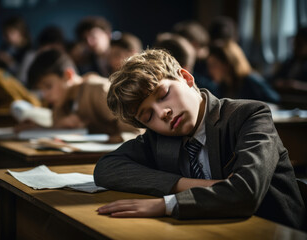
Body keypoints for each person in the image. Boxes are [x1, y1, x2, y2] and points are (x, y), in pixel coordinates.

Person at [93, 49, 305, 230]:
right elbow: (106, 168)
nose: (163, 113)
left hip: (275, 230)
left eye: (164, 94)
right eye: (148, 116)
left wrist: (167, 204)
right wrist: (188, 185)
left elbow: (246, 192)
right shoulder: (159, 138)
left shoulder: (249, 115)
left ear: (186, 78)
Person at [26, 48, 137, 137]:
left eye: (48, 87)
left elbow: (135, 130)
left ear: (68, 75)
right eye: (41, 90)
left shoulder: (99, 90)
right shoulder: (61, 102)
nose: (45, 95)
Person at [207, 40, 280, 103]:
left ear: (227, 64)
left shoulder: (250, 81)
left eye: (214, 65)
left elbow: (275, 100)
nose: (210, 70)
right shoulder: (223, 87)